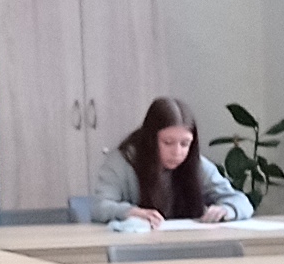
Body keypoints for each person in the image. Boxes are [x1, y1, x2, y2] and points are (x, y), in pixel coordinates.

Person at [94, 94, 251, 228]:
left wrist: (227, 210)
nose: (177, 152)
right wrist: (131, 212)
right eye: (168, 143)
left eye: (185, 144)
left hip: (188, 243)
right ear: (151, 139)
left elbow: (240, 200)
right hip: (135, 246)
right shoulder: (122, 162)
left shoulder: (197, 165)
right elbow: (99, 207)